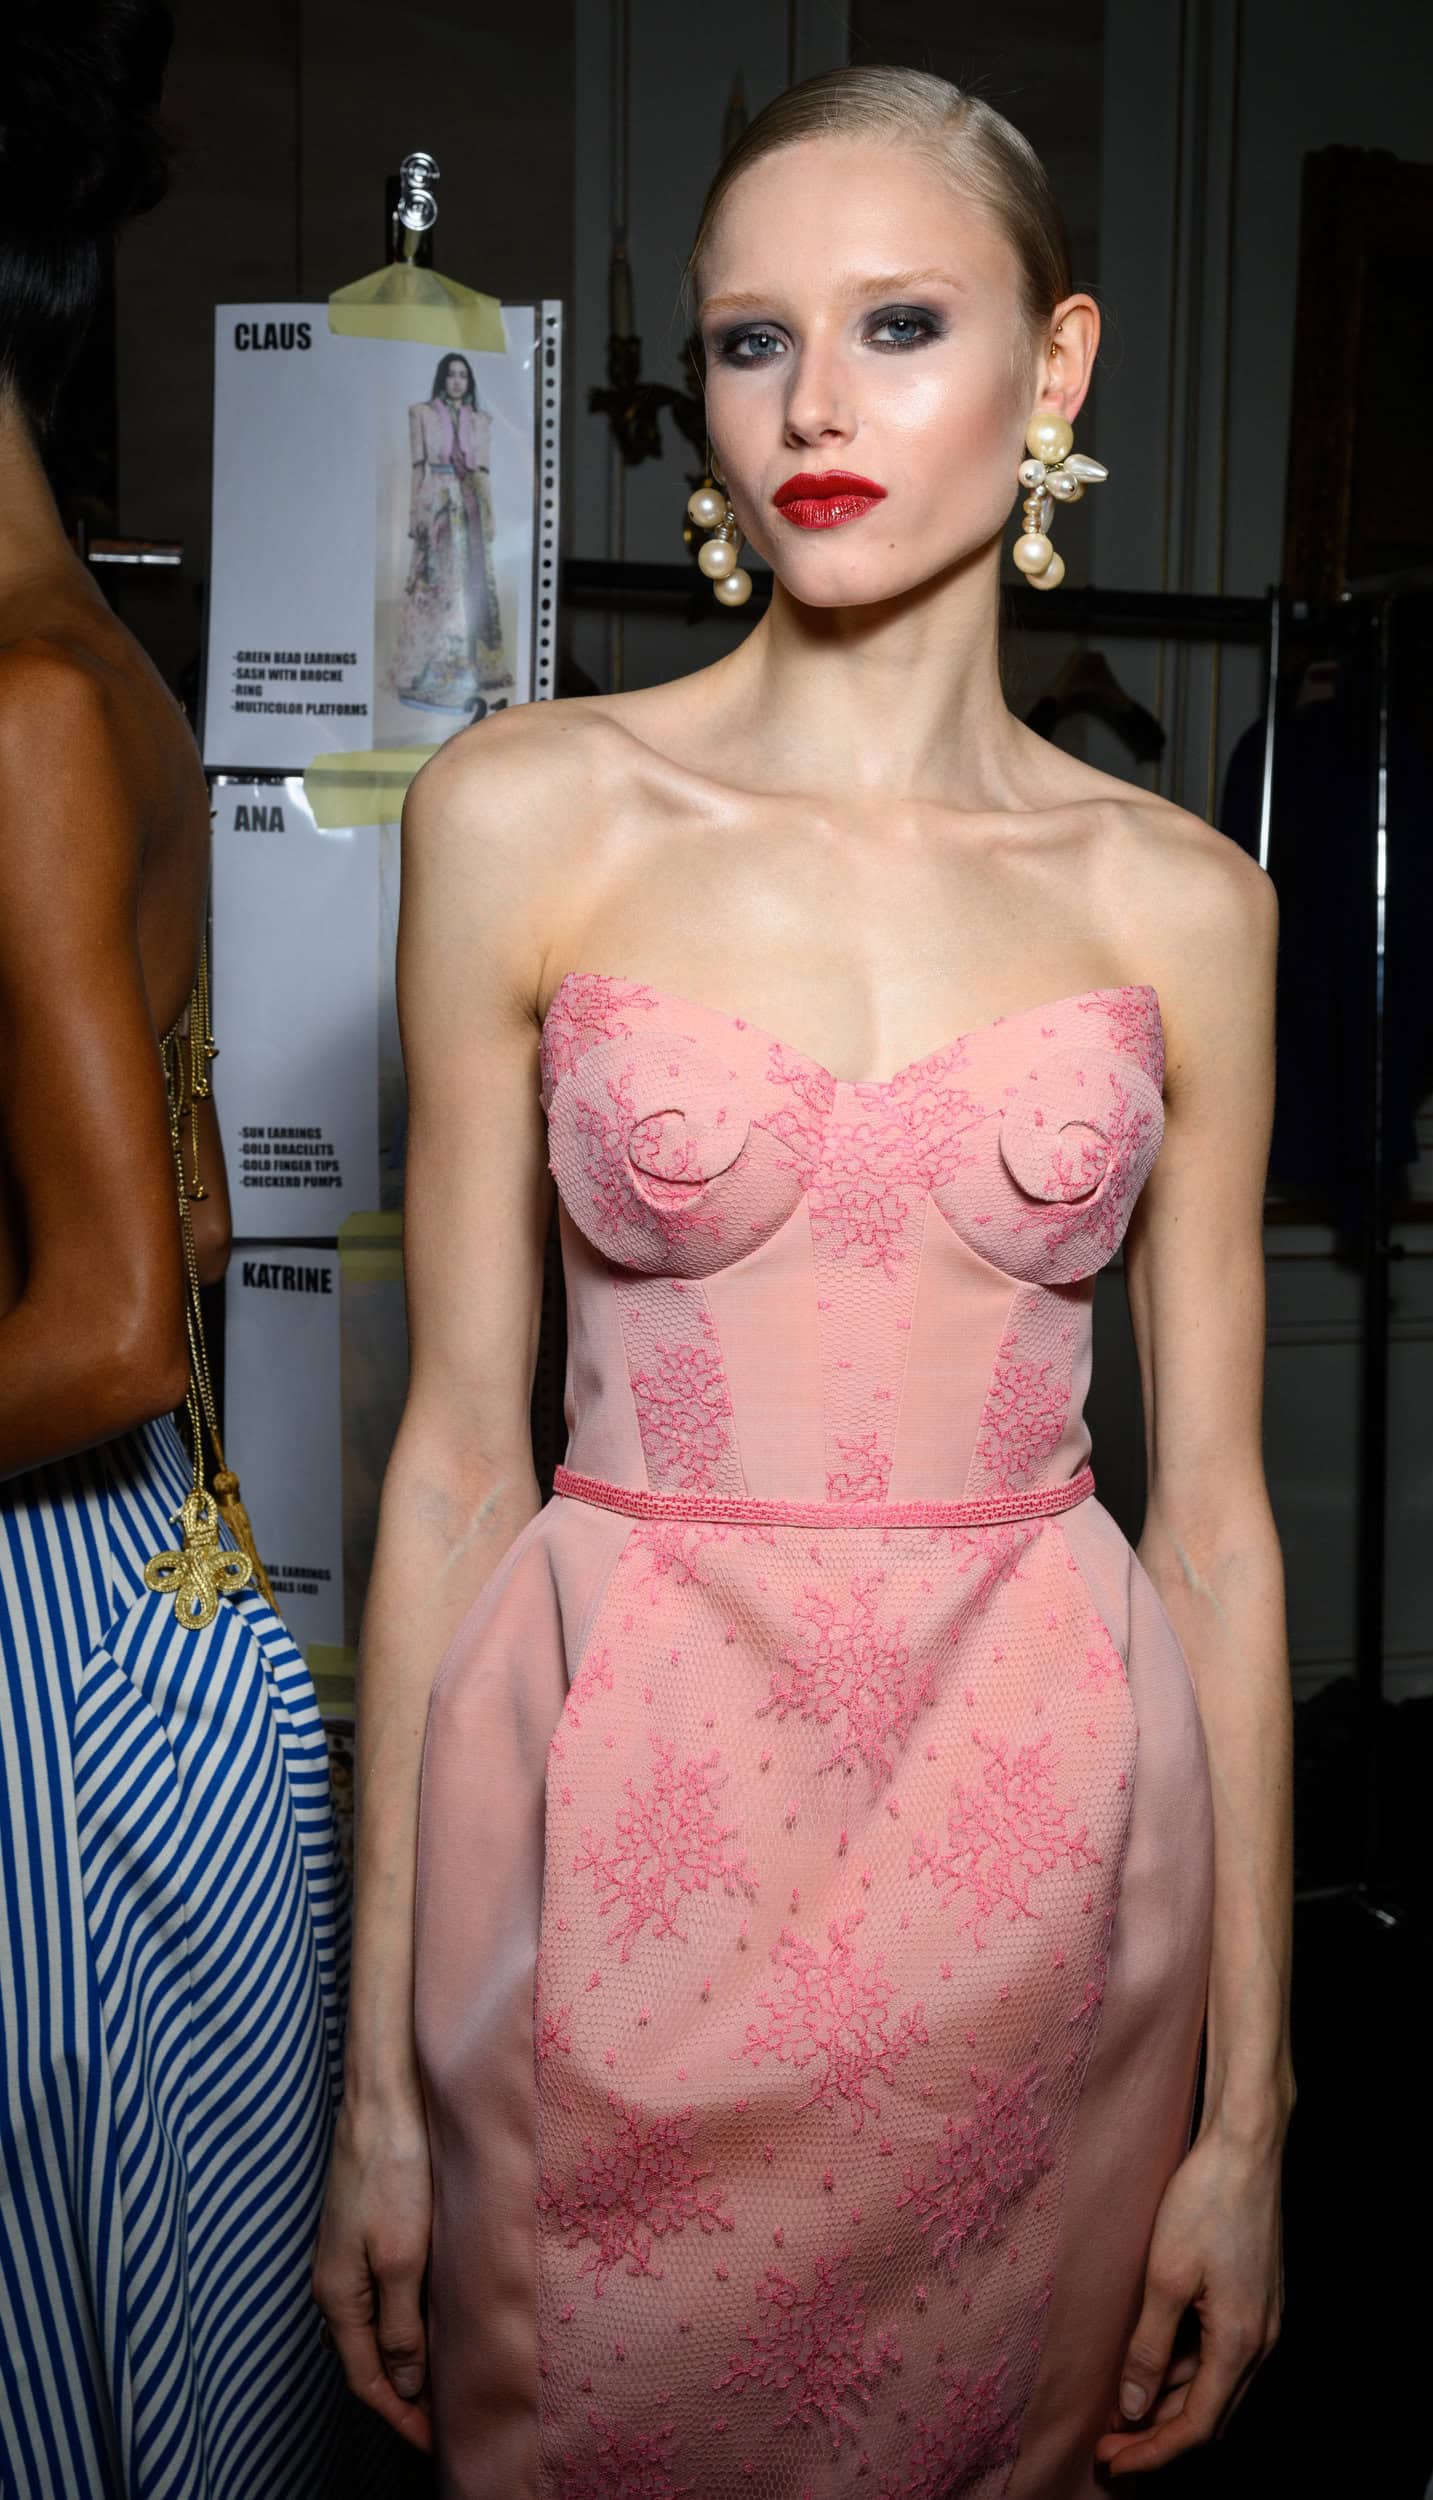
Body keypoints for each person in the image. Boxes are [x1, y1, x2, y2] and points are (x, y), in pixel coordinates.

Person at [314, 64, 1292, 2496]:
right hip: (613, 1867)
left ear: (1055, 366)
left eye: (898, 325)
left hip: (1039, 1888)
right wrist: (375, 2091)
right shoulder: (527, 814)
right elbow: (448, 1468)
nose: (814, 407)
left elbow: (1214, 1529)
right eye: (753, 341)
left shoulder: (1183, 902)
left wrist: (1245, 2116)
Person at [0, 6, 347, 2491]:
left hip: (51, 1666)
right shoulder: (106, 668)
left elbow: (117, 1324)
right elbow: (198, 1208)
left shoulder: (19, 702)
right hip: (154, 1634)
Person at [390, 351, 512, 719]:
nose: (457, 381)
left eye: (463, 375)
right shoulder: (422, 414)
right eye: (451, 374)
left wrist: (489, 517)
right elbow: (418, 468)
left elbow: (483, 473)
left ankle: (468, 667)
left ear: (468, 381)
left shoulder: (480, 420)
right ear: (442, 379)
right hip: (438, 502)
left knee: (469, 584)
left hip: (470, 503)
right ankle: (427, 666)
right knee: (434, 584)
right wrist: (416, 513)